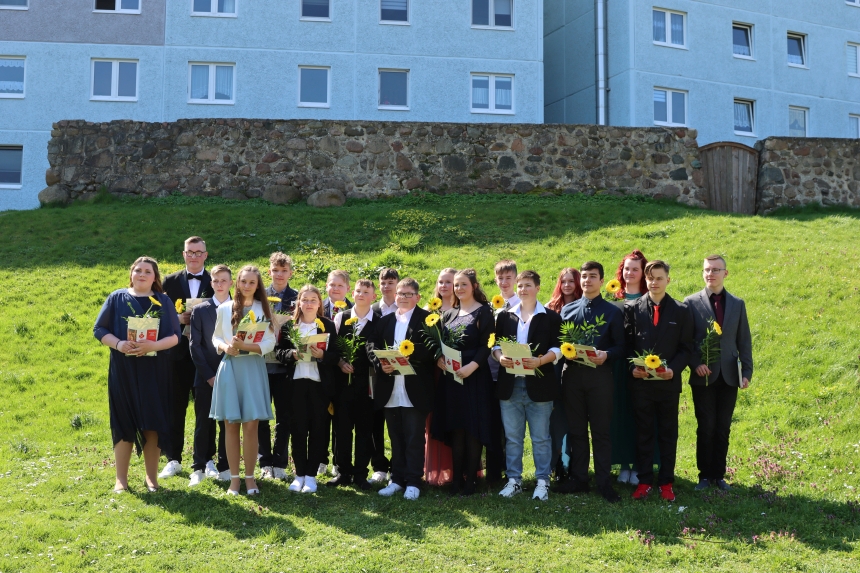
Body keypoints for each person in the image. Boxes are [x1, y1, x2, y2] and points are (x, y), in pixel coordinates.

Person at [93, 256, 180, 493]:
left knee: (153, 422)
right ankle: (121, 480)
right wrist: (119, 344)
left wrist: (153, 346)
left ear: (155, 277)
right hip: (124, 370)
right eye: (138, 270)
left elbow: (175, 336)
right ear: (131, 273)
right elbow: (99, 329)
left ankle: (151, 479)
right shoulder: (116, 298)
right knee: (124, 421)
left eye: (147, 271)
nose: (142, 274)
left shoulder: (163, 300)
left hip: (155, 370)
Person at [624, 260, 693, 502]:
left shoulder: (681, 310)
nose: (654, 282)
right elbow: (626, 346)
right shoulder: (634, 309)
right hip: (641, 384)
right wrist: (632, 367)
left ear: (668, 280)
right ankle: (644, 481)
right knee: (643, 433)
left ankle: (666, 482)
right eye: (650, 278)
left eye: (659, 278)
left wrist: (673, 370)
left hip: (668, 384)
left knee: (667, 434)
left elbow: (686, 348)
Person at [555, 262, 624, 503]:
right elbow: (559, 344)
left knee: (600, 431)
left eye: (592, 276)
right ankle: (579, 479)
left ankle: (604, 482)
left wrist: (607, 355)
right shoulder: (568, 310)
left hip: (599, 377)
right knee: (576, 431)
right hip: (572, 376)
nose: (587, 280)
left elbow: (621, 346)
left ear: (601, 280)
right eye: (584, 276)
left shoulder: (613, 312)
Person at [685, 255, 753, 492]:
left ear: (726, 273)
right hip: (703, 376)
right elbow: (685, 342)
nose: (710, 274)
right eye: (707, 269)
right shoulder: (691, 303)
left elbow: (744, 340)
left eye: (715, 270)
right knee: (706, 426)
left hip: (730, 376)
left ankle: (719, 476)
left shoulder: (737, 304)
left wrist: (747, 371)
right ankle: (704, 476)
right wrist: (695, 364)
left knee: (723, 427)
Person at [492, 271, 561, 501]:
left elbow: (558, 348)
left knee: (540, 438)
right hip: (510, 385)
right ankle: (514, 480)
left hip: (540, 385)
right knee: (513, 438)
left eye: (528, 285)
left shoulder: (550, 317)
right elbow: (495, 345)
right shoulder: (505, 316)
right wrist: (500, 357)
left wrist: (540, 361)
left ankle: (542, 482)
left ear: (538, 288)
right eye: (520, 285)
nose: (523, 289)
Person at [210, 265, 276, 496]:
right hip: (230, 367)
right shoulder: (225, 308)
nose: (247, 286)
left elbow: (270, 343)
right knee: (230, 424)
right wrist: (225, 346)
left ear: (258, 286)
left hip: (253, 369)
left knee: (251, 426)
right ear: (237, 283)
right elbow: (216, 337)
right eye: (243, 281)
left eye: (252, 282)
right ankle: (234, 481)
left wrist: (246, 346)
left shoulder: (263, 309)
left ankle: (250, 479)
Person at [367, 278, 435, 500]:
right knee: (395, 436)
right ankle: (397, 480)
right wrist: (380, 364)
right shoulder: (384, 321)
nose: (403, 297)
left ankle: (414, 481)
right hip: (390, 388)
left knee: (414, 437)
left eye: (408, 294)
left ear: (417, 297)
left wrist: (408, 355)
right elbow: (371, 345)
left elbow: (433, 349)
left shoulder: (427, 320)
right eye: (400, 294)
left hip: (415, 389)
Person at [433, 269, 496, 496]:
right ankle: (456, 480)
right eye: (456, 285)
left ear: (474, 286)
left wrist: (473, 366)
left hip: (474, 377)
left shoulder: (484, 312)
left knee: (472, 429)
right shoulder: (449, 314)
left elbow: (487, 344)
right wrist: (439, 359)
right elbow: (442, 344)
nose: (458, 289)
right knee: (456, 427)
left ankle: (471, 482)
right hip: (452, 378)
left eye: (463, 285)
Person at [275, 285, 340, 494]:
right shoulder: (290, 325)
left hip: (319, 384)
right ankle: (299, 474)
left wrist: (323, 355)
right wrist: (292, 354)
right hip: (295, 384)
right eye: (305, 300)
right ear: (299, 303)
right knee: (298, 429)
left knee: (319, 429)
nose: (309, 303)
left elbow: (336, 355)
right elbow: (279, 352)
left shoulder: (327, 325)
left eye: (313, 300)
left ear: (319, 303)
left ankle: (311, 476)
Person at [160, 236, 211, 479]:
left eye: (198, 252)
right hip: (176, 354)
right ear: (183, 254)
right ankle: (173, 458)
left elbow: (225, 313)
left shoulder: (215, 280)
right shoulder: (169, 281)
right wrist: (177, 319)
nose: (194, 256)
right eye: (190, 252)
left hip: (205, 354)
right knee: (175, 406)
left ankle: (207, 459)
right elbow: (156, 313)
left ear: (205, 255)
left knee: (206, 409)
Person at [330, 279, 379, 490]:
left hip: (367, 385)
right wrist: (340, 362)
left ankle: (360, 474)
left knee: (364, 430)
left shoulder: (379, 321)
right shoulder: (341, 317)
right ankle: (343, 472)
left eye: (366, 292)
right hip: (343, 384)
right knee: (342, 429)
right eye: (358, 290)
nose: (361, 294)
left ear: (373, 297)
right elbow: (333, 347)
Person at [187, 264, 233, 486]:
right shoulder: (200, 310)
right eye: (215, 281)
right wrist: (209, 376)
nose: (220, 284)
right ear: (211, 283)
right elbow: (195, 346)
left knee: (228, 423)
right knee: (203, 423)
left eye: (224, 280)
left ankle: (225, 466)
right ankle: (199, 466)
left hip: (232, 374)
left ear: (231, 283)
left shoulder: (240, 308)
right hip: (205, 376)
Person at [259, 252, 298, 482]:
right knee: (262, 416)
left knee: (285, 417)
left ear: (290, 273)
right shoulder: (259, 296)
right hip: (262, 365)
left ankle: (280, 462)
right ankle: (265, 463)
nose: (280, 275)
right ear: (269, 271)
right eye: (275, 270)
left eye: (284, 271)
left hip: (286, 367)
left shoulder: (298, 298)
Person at [611, 249, 649, 486]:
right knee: (620, 415)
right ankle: (623, 464)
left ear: (643, 273)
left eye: (636, 269)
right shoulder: (613, 300)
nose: (630, 273)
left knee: (640, 415)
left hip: (641, 365)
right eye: (627, 268)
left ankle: (638, 465)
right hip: (617, 366)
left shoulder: (650, 299)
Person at [545, 268, 583, 481]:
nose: (567, 285)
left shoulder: (582, 307)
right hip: (554, 369)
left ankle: (570, 463)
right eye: (564, 281)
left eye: (571, 281)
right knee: (555, 419)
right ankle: (555, 463)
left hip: (575, 369)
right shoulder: (550, 308)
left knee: (572, 418)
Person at [422, 268, 457, 487]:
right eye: (440, 281)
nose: (443, 286)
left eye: (448, 282)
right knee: (434, 420)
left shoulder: (463, 309)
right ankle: (436, 472)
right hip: (435, 373)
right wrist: (436, 357)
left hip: (458, 372)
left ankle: (457, 470)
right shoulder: (428, 311)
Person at [485, 260, 519, 482]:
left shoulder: (522, 306)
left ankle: (511, 470)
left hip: (512, 374)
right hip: (490, 373)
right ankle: (494, 471)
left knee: (510, 428)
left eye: (508, 278)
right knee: (492, 424)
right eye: (500, 278)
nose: (504, 282)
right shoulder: (491, 308)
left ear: (515, 278)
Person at [321, 269, 352, 477]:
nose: (336, 289)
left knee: (341, 420)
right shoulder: (317, 307)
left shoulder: (354, 310)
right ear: (326, 286)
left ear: (348, 288)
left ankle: (337, 461)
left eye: (340, 285)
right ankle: (320, 459)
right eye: (332, 284)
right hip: (322, 370)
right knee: (321, 417)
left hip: (344, 374)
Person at [369, 268, 398, 483]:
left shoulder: (404, 308)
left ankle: (398, 466)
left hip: (401, 374)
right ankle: (379, 467)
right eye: (383, 282)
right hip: (377, 373)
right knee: (375, 422)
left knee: (397, 423)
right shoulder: (372, 310)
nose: (386, 286)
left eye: (391, 282)